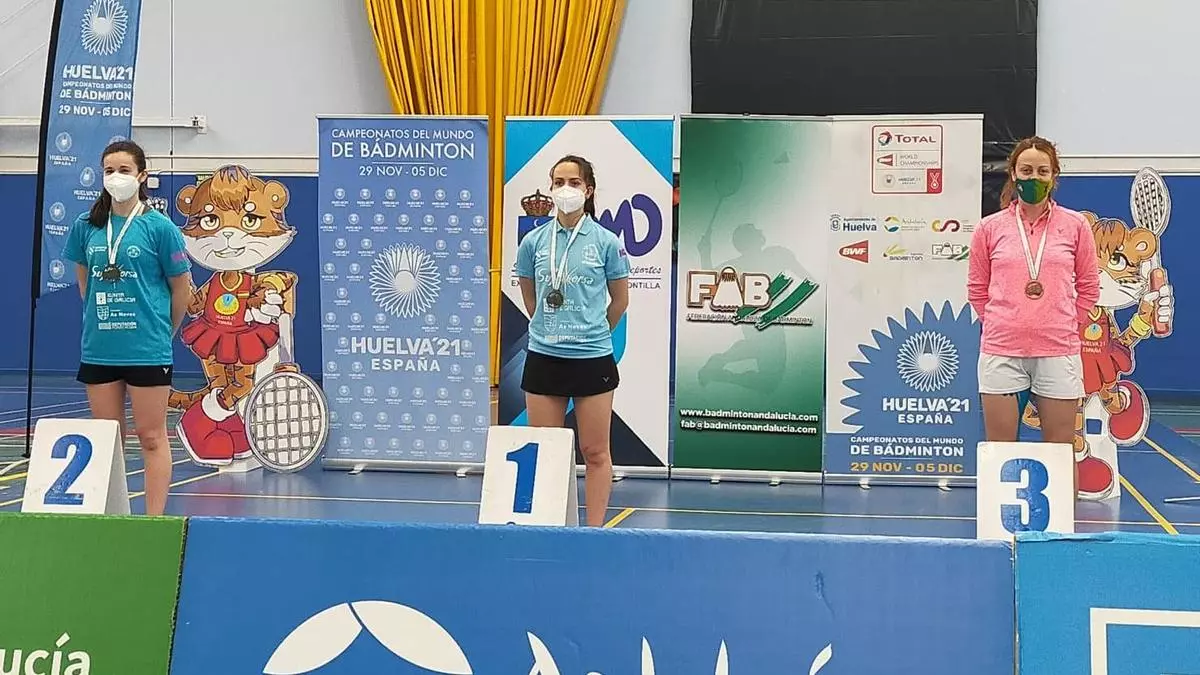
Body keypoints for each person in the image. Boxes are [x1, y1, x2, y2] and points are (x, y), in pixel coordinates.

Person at [61, 140, 193, 515]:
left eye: (124, 170)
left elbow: (181, 289)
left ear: (142, 176)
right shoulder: (86, 226)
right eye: (109, 170)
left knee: (151, 437)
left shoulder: (159, 227)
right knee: (108, 442)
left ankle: (152, 522)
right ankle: (116, 519)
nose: (115, 177)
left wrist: (164, 332)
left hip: (147, 349)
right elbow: (85, 285)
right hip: (100, 349)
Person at [967, 136, 1100, 499]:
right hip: (1001, 351)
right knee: (1000, 451)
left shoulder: (1075, 226)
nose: (1034, 177)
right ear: (1013, 173)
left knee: (1060, 450)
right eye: (1026, 170)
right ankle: (1001, 527)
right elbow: (977, 289)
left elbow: (1089, 287)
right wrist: (1001, 323)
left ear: (1054, 176)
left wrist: (1066, 323)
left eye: (1042, 171)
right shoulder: (989, 228)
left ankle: (1063, 530)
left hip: (1058, 350)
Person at [514, 155, 630, 526]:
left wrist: (593, 331)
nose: (566, 189)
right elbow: (530, 296)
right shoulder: (533, 242)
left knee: (595, 452)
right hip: (545, 357)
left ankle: (593, 533)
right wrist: (547, 326)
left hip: (592, 358)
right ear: (550, 188)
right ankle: (551, 529)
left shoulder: (607, 242)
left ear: (588, 190)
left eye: (574, 182)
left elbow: (620, 301)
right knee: (547, 453)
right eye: (559, 182)